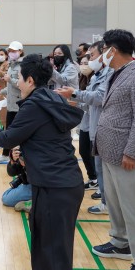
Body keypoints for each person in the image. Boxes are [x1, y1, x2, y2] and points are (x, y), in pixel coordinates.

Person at [0, 54, 84, 270]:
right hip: (59, 183)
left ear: (29, 80)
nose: (16, 82)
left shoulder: (34, 106)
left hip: (55, 185)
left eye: (18, 78)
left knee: (54, 248)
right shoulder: (51, 98)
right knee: (45, 240)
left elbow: (7, 138)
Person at [91, 29, 135, 270]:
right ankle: (120, 242)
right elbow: (106, 105)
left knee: (133, 209)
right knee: (115, 203)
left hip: (128, 156)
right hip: (108, 151)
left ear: (112, 49)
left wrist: (132, 152)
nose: (102, 52)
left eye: (104, 47)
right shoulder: (116, 74)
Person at [56, 41, 114, 215]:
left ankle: (109, 204)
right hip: (95, 128)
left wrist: (74, 93)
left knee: (106, 172)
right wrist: (77, 103)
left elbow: (99, 98)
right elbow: (91, 105)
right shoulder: (97, 76)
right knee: (100, 170)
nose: (90, 60)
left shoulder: (109, 75)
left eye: (94, 55)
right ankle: (105, 202)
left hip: (104, 129)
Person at [0, 41, 24, 164]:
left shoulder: (22, 66)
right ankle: (7, 154)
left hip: (18, 105)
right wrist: (4, 91)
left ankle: (9, 155)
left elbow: (23, 85)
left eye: (14, 51)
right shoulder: (12, 64)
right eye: (10, 51)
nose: (11, 53)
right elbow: (10, 84)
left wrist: (10, 80)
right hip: (11, 104)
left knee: (11, 131)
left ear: (20, 51)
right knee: (9, 130)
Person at [1, 146, 31, 213]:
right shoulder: (21, 148)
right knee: (6, 196)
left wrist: (28, 164)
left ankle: (35, 203)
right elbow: (11, 173)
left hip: (41, 184)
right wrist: (13, 161)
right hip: (29, 184)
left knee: (6, 198)